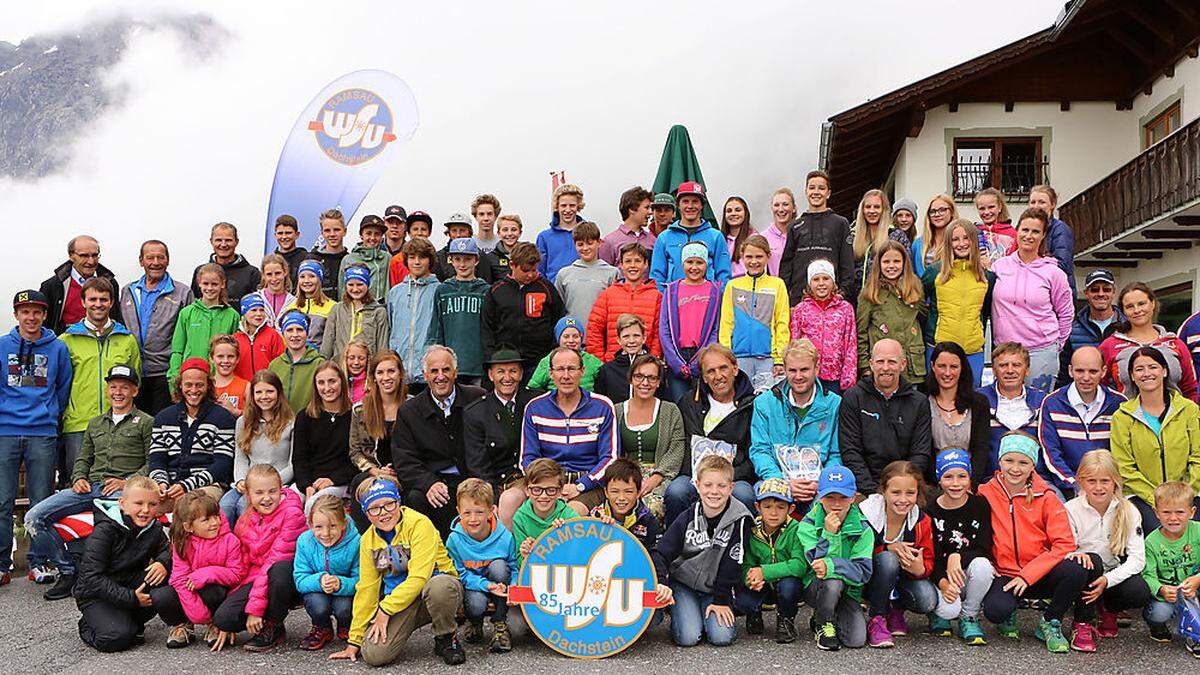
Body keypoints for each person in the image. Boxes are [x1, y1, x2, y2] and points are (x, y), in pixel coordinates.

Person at [24, 363, 146, 600]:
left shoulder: (146, 422)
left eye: (124, 387)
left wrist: (127, 482)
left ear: (135, 391)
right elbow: (83, 459)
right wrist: (78, 477)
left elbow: (152, 462)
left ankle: (108, 577)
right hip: (90, 487)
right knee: (33, 518)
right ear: (108, 390)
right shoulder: (95, 423)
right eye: (113, 387)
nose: (118, 392)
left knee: (112, 527)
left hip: (122, 492)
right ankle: (70, 571)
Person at [331, 478, 466, 666]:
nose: (383, 513)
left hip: (434, 588)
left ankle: (446, 637)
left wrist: (385, 610)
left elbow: (420, 577)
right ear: (367, 514)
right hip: (401, 600)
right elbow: (367, 589)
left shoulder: (419, 524)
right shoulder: (367, 542)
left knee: (440, 587)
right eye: (375, 508)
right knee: (374, 655)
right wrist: (354, 640)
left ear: (398, 502)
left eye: (389, 504)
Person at [978, 432, 1087, 653]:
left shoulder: (1047, 496)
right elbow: (978, 535)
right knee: (995, 611)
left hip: (1039, 573)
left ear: (1033, 465)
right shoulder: (985, 493)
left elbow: (1064, 544)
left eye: (1023, 462)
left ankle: (1050, 621)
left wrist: (1028, 575)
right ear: (999, 461)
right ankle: (1009, 612)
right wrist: (987, 561)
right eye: (1009, 460)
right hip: (1005, 573)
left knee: (1078, 569)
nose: (1015, 468)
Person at [1, 289, 72, 587]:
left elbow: (63, 386)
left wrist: (48, 414)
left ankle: (39, 562)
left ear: (44, 315)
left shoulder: (57, 348)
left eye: (37, 312)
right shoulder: (3, 346)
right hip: (6, 431)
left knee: (41, 502)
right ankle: (2, 563)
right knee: (2, 501)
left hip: (42, 432)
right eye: (25, 311)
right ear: (16, 314)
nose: (31, 317)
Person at [652, 454, 752, 648]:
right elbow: (661, 553)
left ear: (731, 488)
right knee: (688, 638)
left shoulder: (741, 519)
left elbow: (733, 563)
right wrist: (661, 582)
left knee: (721, 637)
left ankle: (705, 613)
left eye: (721, 486)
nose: (714, 492)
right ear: (697, 485)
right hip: (684, 584)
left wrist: (721, 600)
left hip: (714, 589)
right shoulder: (687, 516)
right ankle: (683, 612)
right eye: (708, 485)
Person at [393, 345, 487, 537]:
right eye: (434, 371)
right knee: (415, 498)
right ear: (425, 375)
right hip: (436, 480)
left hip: (472, 477)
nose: (440, 376)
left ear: (456, 372)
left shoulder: (477, 398)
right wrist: (428, 483)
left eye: (446, 369)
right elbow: (405, 460)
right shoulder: (409, 411)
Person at [211, 464, 306, 652]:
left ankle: (272, 624)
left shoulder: (292, 514)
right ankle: (263, 619)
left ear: (281, 489)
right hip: (258, 577)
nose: (267, 498)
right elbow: (243, 562)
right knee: (224, 618)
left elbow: (273, 560)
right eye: (259, 492)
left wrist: (255, 609)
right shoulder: (247, 517)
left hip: (287, 579)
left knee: (280, 570)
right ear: (248, 495)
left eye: (273, 491)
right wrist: (233, 599)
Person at [1064, 450, 1151, 650]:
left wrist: (1107, 580)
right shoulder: (1070, 509)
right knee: (1090, 560)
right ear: (1080, 481)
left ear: (1115, 481)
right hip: (1083, 574)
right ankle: (1082, 622)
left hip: (1111, 574)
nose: (1099, 487)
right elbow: (1065, 549)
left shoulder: (1129, 510)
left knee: (1139, 590)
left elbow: (1137, 559)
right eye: (1091, 481)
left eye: (1105, 481)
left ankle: (1108, 608)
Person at [71, 476, 169, 653]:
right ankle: (88, 625)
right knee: (116, 638)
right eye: (138, 503)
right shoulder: (105, 530)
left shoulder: (153, 528)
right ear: (123, 504)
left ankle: (131, 622)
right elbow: (91, 577)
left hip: (129, 584)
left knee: (167, 579)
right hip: (95, 594)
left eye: (152, 504)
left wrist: (162, 562)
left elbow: (168, 551)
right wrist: (131, 598)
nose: (145, 510)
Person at [665, 344, 758, 525]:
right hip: (695, 477)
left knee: (744, 494)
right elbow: (682, 445)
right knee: (677, 491)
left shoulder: (752, 406)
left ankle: (741, 549)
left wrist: (724, 479)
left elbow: (753, 454)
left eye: (723, 368)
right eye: (711, 371)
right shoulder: (689, 402)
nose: (718, 376)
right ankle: (675, 548)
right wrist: (700, 478)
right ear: (704, 378)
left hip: (734, 478)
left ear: (735, 369)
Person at [1110, 346, 1200, 531]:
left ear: (1164, 371)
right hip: (1143, 496)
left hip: (1189, 493)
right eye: (1139, 369)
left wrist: (1184, 494)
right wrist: (1158, 499)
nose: (1146, 373)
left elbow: (1198, 457)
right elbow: (1124, 468)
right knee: (1156, 529)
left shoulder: (1189, 409)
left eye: (1152, 367)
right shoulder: (1122, 417)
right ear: (1132, 376)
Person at [520, 346, 618, 514]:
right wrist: (548, 488)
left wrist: (582, 485)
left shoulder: (602, 406)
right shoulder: (535, 408)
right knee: (509, 500)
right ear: (551, 373)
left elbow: (610, 457)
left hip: (588, 484)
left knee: (569, 514)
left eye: (572, 369)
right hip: (544, 482)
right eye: (560, 369)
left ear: (582, 371)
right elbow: (527, 457)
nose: (566, 376)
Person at [749, 339, 841, 516]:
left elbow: (836, 454)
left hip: (817, 486)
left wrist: (822, 482)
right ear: (784, 370)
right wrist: (782, 482)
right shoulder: (764, 403)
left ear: (816, 368)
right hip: (776, 479)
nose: (798, 376)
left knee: (827, 505)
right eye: (792, 370)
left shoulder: (834, 404)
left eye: (804, 369)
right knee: (764, 498)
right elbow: (760, 451)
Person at [60, 278, 142, 476]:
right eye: (93, 299)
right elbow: (59, 384)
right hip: (79, 423)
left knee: (114, 482)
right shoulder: (66, 340)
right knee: (79, 483)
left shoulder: (127, 339)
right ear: (83, 302)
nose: (98, 304)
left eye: (103, 299)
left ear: (112, 302)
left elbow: (135, 380)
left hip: (118, 422)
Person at [991, 207, 1073, 392]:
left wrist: (1056, 344)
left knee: (1038, 406)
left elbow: (1066, 313)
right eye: (1025, 230)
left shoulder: (1054, 272)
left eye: (1035, 231)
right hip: (1005, 350)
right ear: (1017, 231)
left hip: (1041, 352)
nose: (1029, 235)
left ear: (1043, 235)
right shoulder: (999, 267)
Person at [151, 490, 246, 649]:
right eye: (206, 520)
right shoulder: (181, 543)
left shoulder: (231, 541)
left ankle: (215, 624)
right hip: (190, 591)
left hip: (217, 591)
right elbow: (179, 579)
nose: (215, 523)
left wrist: (208, 573)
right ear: (188, 526)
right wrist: (198, 614)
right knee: (161, 596)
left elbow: (237, 574)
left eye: (216, 516)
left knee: (214, 591)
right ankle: (182, 625)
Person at [859, 461, 937, 648]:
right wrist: (887, 548)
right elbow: (855, 555)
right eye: (896, 492)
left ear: (918, 493)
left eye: (910, 493)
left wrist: (920, 569)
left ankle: (896, 609)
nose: (903, 499)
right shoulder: (865, 514)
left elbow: (928, 559)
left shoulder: (921, 520)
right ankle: (876, 618)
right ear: (883, 491)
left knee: (927, 600)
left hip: (902, 579)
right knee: (888, 559)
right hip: (869, 581)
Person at [839, 339, 932, 494]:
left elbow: (920, 454)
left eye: (892, 362)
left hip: (905, 488)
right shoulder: (853, 397)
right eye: (880, 361)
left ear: (903, 364)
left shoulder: (919, 402)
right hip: (864, 488)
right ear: (871, 364)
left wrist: (898, 490)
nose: (885, 368)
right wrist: (873, 492)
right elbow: (850, 451)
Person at [796, 465, 874, 650]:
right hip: (816, 587)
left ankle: (829, 614)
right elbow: (817, 566)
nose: (836, 504)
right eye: (830, 497)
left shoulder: (863, 529)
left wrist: (831, 565)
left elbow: (863, 571)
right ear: (820, 496)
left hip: (849, 591)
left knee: (855, 640)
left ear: (853, 497)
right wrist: (829, 534)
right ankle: (824, 622)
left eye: (843, 497)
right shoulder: (807, 524)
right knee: (832, 582)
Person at [927, 448, 995, 645]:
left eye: (962, 476)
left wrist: (956, 556)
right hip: (939, 575)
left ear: (970, 477)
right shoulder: (929, 509)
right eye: (948, 476)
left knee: (983, 565)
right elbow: (929, 556)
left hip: (965, 573)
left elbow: (984, 548)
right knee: (949, 611)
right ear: (939, 479)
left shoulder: (980, 505)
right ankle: (938, 613)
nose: (956, 483)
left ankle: (969, 616)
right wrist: (943, 583)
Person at [149, 358, 236, 507]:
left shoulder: (223, 418)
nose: (194, 390)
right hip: (169, 486)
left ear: (208, 385)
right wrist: (161, 483)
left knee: (191, 505)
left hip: (208, 486)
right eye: (188, 385)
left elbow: (222, 465)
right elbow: (157, 459)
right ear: (180, 385)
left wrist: (186, 486)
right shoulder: (163, 417)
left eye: (199, 385)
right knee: (141, 505)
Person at [1038, 346, 1125, 495]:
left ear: (1103, 371)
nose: (1086, 377)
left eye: (1093, 371)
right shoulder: (1052, 403)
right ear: (1070, 371)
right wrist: (1074, 484)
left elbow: (1123, 453)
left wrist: (1106, 485)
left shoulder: (1118, 404)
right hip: (1067, 486)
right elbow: (1051, 454)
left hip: (1109, 487)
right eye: (1080, 371)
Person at [445, 478, 517, 653]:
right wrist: (486, 585)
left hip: (500, 583)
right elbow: (461, 574)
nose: (473, 519)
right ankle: (475, 621)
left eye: (479, 512)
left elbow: (513, 567)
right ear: (458, 511)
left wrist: (514, 587)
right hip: (475, 586)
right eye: (467, 513)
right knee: (476, 604)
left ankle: (500, 624)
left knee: (499, 566)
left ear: (492, 511)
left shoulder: (505, 537)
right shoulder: (454, 539)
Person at [120, 240, 192, 414]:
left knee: (162, 427)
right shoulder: (127, 291)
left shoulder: (183, 292)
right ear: (141, 261)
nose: (156, 262)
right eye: (150, 257)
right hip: (134, 373)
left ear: (168, 260)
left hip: (165, 374)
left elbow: (188, 336)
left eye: (161, 257)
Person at [464, 348, 533, 525]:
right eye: (501, 371)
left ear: (521, 373)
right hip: (497, 485)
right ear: (490, 374)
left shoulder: (535, 402)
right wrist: (492, 500)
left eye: (513, 371)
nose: (507, 378)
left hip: (533, 481)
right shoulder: (476, 412)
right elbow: (478, 465)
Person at [613, 354, 685, 520]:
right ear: (630, 379)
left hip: (661, 477)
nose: (645, 383)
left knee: (650, 509)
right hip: (624, 477)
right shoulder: (616, 411)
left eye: (652, 378)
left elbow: (677, 448)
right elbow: (610, 450)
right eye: (639, 376)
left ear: (659, 382)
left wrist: (656, 477)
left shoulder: (670, 410)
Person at [1099, 282, 1199, 402]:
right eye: (1130, 306)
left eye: (1142, 304)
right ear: (1123, 311)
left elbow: (1190, 390)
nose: (1137, 310)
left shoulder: (1175, 343)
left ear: (1152, 304)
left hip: (1175, 419)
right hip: (1127, 418)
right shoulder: (1110, 345)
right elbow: (1098, 387)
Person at [481, 242, 564, 381]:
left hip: (539, 363)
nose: (531, 275)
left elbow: (558, 319)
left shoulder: (546, 287)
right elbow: (487, 328)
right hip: (507, 363)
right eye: (526, 270)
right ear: (512, 265)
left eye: (534, 270)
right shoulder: (496, 290)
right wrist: (492, 357)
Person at [922, 219, 992, 384]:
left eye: (966, 238)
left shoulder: (985, 276)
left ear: (974, 241)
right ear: (948, 243)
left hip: (973, 350)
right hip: (939, 347)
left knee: (971, 398)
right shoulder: (935, 272)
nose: (961, 244)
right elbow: (919, 302)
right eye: (955, 239)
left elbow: (987, 311)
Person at [719, 234, 789, 394]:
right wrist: (727, 357)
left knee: (766, 403)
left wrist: (780, 358)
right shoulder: (733, 285)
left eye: (759, 256)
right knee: (741, 401)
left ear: (768, 256)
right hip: (738, 357)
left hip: (768, 358)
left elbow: (782, 323)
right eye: (749, 256)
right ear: (742, 256)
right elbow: (726, 323)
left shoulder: (777, 284)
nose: (754, 261)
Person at [223, 370, 294, 525]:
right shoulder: (243, 422)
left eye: (269, 391)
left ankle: (250, 546)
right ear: (253, 395)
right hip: (249, 482)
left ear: (278, 393)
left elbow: (292, 463)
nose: (264, 396)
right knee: (225, 506)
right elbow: (240, 457)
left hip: (276, 483)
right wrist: (242, 480)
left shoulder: (290, 422)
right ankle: (226, 547)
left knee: (244, 506)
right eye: (259, 392)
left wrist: (269, 484)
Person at [739, 478, 805, 643]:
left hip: (785, 585)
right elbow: (746, 563)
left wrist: (764, 572)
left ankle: (786, 620)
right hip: (763, 586)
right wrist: (751, 579)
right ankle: (754, 612)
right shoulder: (752, 531)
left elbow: (799, 565)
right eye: (767, 507)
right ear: (757, 507)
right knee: (742, 599)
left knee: (789, 585)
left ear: (791, 508)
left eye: (781, 507)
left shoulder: (796, 529)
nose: (774, 513)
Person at [293, 494, 361, 650]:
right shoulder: (304, 541)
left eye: (332, 526)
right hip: (317, 589)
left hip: (345, 591)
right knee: (317, 605)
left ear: (343, 523)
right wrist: (319, 580)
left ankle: (347, 625)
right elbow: (300, 579)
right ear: (310, 524)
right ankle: (322, 627)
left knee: (344, 607)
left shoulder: (357, 542)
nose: (325, 533)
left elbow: (361, 579)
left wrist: (341, 583)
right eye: (319, 527)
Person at [348, 350, 407, 530]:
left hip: (405, 471)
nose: (386, 377)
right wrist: (375, 471)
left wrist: (398, 471)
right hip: (373, 471)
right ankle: (366, 542)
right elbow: (355, 452)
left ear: (400, 374)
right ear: (373, 377)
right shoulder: (361, 409)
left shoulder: (412, 406)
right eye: (380, 372)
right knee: (360, 484)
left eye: (391, 371)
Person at [1141, 481, 1200, 654]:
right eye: (1166, 512)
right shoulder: (1151, 542)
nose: (1173, 518)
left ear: (1192, 512)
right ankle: (1156, 625)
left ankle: (1194, 634)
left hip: (1195, 587)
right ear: (1156, 513)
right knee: (1159, 612)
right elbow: (1147, 574)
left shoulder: (1197, 531)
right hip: (1170, 594)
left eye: (1180, 512)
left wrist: (1198, 579)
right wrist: (1161, 589)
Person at [857, 240, 926, 384]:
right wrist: (865, 367)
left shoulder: (914, 287)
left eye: (896, 261)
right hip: (883, 369)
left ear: (904, 263)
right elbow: (861, 332)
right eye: (886, 262)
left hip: (912, 365)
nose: (892, 266)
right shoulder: (870, 293)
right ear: (879, 264)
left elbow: (924, 320)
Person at [659, 242, 721, 402]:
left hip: (703, 355)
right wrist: (674, 361)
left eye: (699, 262)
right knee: (680, 404)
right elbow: (665, 329)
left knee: (703, 404)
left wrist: (702, 357)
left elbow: (715, 328)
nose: (694, 267)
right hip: (677, 357)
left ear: (706, 264)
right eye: (690, 262)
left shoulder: (714, 291)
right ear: (682, 263)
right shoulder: (671, 290)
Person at [779, 171, 854, 303]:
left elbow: (847, 263)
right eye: (812, 188)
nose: (816, 192)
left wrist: (842, 294)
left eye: (821, 188)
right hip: (800, 300)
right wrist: (787, 298)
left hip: (832, 300)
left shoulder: (840, 223)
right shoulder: (795, 226)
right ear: (806, 191)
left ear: (828, 193)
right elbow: (786, 265)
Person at [293, 361, 357, 515]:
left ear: (341, 381)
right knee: (288, 506)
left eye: (332, 381)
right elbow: (299, 458)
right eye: (321, 382)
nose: (327, 388)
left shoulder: (355, 415)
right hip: (309, 481)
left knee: (314, 507)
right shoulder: (305, 416)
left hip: (340, 482)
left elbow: (357, 459)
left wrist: (332, 480)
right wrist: (306, 485)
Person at [925, 342, 991, 485]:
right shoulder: (922, 403)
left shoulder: (979, 403)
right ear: (932, 366)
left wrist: (970, 484)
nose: (947, 373)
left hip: (970, 483)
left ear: (962, 368)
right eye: (942, 366)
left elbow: (981, 448)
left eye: (954, 367)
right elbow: (923, 452)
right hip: (934, 485)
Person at [428, 237, 492, 385]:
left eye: (467, 259)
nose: (462, 264)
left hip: (478, 366)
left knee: (477, 405)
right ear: (451, 260)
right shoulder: (443, 290)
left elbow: (490, 329)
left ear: (476, 260)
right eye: (457, 259)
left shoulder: (486, 291)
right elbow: (436, 327)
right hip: (448, 366)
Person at [980, 342, 1048, 475]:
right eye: (1003, 365)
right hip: (991, 480)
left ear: (1027, 370)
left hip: (1036, 479)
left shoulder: (1043, 401)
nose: (1010, 370)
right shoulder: (979, 400)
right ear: (994, 370)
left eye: (1016, 365)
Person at [789, 260, 856, 394]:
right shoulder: (800, 309)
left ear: (833, 282)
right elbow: (794, 343)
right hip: (809, 375)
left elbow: (850, 343)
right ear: (809, 283)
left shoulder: (845, 309)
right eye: (816, 279)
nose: (821, 283)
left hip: (835, 376)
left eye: (826, 278)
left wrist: (848, 376)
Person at [649, 181, 732, 286]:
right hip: (674, 299)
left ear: (702, 205)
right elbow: (657, 276)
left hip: (707, 298)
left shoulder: (716, 236)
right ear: (678, 205)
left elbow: (724, 275)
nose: (690, 206)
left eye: (695, 201)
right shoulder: (664, 237)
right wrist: (666, 298)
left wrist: (717, 298)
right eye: (685, 201)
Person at [168, 263, 239, 384]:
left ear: (222, 284)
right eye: (206, 283)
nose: (210, 288)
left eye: (214, 284)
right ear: (199, 283)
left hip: (219, 380)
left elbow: (235, 352)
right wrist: (174, 379)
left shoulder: (232, 315)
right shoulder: (186, 313)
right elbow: (177, 350)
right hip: (192, 380)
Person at [387, 237, 441, 389]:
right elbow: (391, 328)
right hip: (400, 372)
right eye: (412, 257)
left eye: (422, 257)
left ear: (430, 260)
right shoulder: (395, 292)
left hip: (428, 373)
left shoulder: (439, 291)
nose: (417, 262)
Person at [41, 235, 122, 335]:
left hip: (102, 345)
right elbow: (44, 325)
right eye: (84, 256)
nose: (91, 261)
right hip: (66, 346)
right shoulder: (52, 286)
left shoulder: (111, 283)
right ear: (71, 256)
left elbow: (116, 319)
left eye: (95, 255)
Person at [511, 458, 579, 567]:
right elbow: (519, 562)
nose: (543, 496)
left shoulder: (569, 516)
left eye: (551, 490)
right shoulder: (520, 518)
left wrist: (566, 533)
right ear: (527, 490)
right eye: (537, 490)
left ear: (560, 491)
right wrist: (526, 554)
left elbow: (580, 552)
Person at [849, 189, 910, 301]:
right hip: (855, 302)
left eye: (876, 207)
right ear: (862, 210)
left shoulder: (896, 236)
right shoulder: (851, 236)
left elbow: (906, 270)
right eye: (868, 207)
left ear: (884, 210)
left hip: (885, 302)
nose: (872, 211)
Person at [321, 265, 389, 363]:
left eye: (360, 284)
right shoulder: (337, 309)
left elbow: (382, 345)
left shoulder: (378, 311)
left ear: (368, 284)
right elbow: (328, 341)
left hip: (367, 367)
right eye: (351, 285)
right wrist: (323, 364)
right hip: (340, 367)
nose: (355, 289)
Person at [555, 221, 616, 324]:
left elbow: (614, 309)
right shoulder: (564, 274)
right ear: (574, 245)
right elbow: (557, 309)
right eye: (580, 244)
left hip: (599, 336)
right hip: (572, 336)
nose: (585, 248)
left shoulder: (612, 273)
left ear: (599, 243)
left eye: (590, 243)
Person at [190, 223, 261, 307]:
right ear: (211, 241)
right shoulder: (200, 271)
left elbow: (258, 307)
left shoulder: (252, 273)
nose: (223, 244)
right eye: (218, 240)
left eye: (228, 240)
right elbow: (195, 304)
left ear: (236, 242)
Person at [268, 311, 326, 413]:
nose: (295, 335)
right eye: (290, 330)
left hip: (309, 422)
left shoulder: (319, 364)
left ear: (307, 333)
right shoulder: (274, 365)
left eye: (300, 330)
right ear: (283, 333)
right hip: (281, 423)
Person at [526, 316, 602, 391]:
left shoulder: (592, 361)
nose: (571, 340)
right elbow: (533, 388)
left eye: (575, 336)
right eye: (566, 336)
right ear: (558, 339)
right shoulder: (547, 361)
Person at [593, 313, 656, 404]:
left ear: (644, 338)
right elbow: (601, 403)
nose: (631, 341)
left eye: (636, 336)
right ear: (619, 340)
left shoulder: (655, 368)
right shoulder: (607, 370)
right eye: (626, 336)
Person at [1029, 185, 1077, 295]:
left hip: (1057, 293)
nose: (1036, 206)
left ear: (1052, 204)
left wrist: (1032, 264)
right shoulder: (1027, 227)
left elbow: (1062, 264)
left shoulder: (1060, 230)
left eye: (1042, 202)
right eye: (1033, 202)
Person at [1067, 269, 1121, 362]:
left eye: (1106, 289)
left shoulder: (1128, 327)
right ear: (1086, 293)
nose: (1101, 294)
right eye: (1095, 290)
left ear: (1114, 292)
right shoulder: (1071, 331)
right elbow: (1065, 371)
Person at [537, 183, 586, 283]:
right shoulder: (544, 237)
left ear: (578, 206)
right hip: (554, 293)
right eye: (563, 205)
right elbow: (539, 271)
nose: (568, 210)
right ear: (557, 207)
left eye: (572, 205)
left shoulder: (588, 234)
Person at [337, 214, 391, 301]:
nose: (372, 238)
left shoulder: (387, 258)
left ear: (382, 237)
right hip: (356, 310)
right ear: (361, 235)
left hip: (381, 310)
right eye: (368, 233)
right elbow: (342, 290)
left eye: (377, 234)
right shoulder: (348, 259)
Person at [284, 260, 336, 347]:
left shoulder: (332, 307)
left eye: (312, 276)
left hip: (320, 358)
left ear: (320, 279)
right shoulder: (291, 307)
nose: (306, 281)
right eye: (302, 276)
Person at [599, 186, 655, 266]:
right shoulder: (609, 241)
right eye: (646, 208)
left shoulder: (653, 240)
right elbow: (604, 273)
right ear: (632, 209)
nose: (650, 212)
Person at [232, 294, 284, 382]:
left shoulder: (273, 335)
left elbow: (281, 364)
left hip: (267, 387)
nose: (258, 314)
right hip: (243, 388)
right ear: (244, 312)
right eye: (253, 310)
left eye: (262, 310)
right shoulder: (236, 338)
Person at [435, 213, 499, 283]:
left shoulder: (480, 255)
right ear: (449, 232)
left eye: (462, 230)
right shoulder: (440, 256)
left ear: (469, 232)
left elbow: (486, 282)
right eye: (454, 230)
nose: (458, 235)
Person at [911, 194, 957, 279]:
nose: (937, 214)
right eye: (932, 211)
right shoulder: (918, 244)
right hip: (923, 290)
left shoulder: (958, 242)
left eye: (942, 210)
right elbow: (913, 273)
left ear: (952, 212)